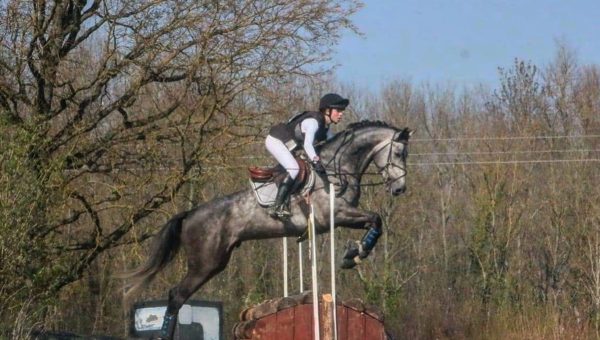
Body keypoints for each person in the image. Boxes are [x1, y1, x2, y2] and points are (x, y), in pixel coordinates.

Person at [265, 93, 349, 219]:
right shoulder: (313, 122)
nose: (341, 114)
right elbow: (308, 145)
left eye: (342, 111)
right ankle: (276, 206)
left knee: (299, 167)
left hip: (287, 145)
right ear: (327, 110)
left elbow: (334, 145)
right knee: (294, 168)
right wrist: (316, 161)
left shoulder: (325, 129)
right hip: (275, 140)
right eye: (338, 110)